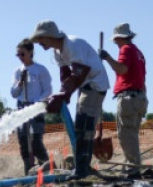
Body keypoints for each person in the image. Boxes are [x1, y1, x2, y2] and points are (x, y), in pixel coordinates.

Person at [28, 20, 110, 178]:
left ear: (49, 36)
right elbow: (65, 75)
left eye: (40, 39)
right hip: (84, 85)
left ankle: (82, 170)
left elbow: (80, 71)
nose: (39, 43)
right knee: (82, 126)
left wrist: (64, 94)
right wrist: (63, 95)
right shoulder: (57, 52)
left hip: (95, 84)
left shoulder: (72, 45)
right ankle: (82, 168)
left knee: (84, 126)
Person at [99, 23, 147, 167]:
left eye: (115, 40)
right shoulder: (138, 52)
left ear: (119, 38)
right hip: (140, 97)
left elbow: (122, 69)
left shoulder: (126, 49)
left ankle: (133, 167)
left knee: (126, 135)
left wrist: (107, 57)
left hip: (128, 97)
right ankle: (133, 164)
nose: (115, 43)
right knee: (131, 134)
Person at [10, 39, 52, 174]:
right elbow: (14, 93)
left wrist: (38, 102)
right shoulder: (17, 71)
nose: (20, 57)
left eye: (23, 54)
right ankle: (28, 169)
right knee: (23, 140)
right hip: (22, 107)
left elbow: (47, 90)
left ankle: (46, 167)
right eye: (18, 55)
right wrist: (20, 83)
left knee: (35, 140)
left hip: (36, 107)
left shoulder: (41, 70)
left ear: (30, 52)